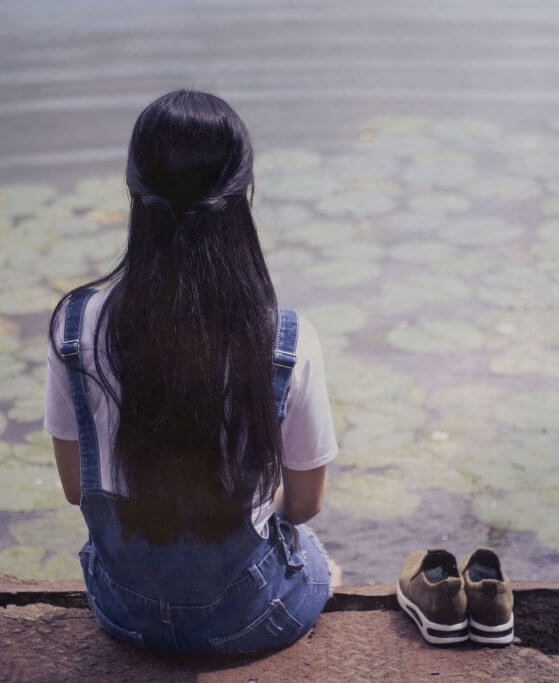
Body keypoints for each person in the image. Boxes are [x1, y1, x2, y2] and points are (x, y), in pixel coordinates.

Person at [44, 90, 338, 654]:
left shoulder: (75, 327)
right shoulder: (286, 340)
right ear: (243, 195)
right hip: (245, 622)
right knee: (317, 558)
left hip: (124, 613)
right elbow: (304, 505)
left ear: (133, 191)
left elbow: (76, 488)